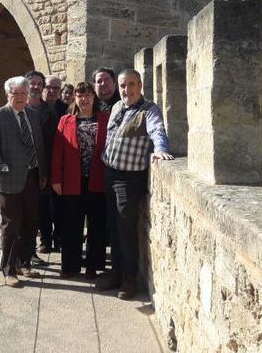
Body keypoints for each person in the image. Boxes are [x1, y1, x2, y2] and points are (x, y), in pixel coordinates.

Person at [98, 69, 173, 300]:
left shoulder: (148, 110)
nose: (126, 90)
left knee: (126, 229)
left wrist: (160, 149)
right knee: (113, 226)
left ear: (140, 85)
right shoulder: (118, 107)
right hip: (110, 174)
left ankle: (129, 279)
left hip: (129, 180)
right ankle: (116, 273)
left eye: (131, 85)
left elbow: (157, 130)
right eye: (122, 86)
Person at [0, 76, 48, 288]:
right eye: (15, 94)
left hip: (32, 175)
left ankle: (24, 263)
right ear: (7, 95)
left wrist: (43, 171)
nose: (20, 98)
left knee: (31, 221)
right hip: (9, 177)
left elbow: (39, 145)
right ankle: (8, 269)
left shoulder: (33, 114)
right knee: (11, 224)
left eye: (23, 94)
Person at [51, 82, 109, 279]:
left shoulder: (106, 119)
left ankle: (93, 265)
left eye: (88, 95)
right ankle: (70, 266)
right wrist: (56, 179)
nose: (84, 99)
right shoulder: (65, 121)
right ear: (74, 98)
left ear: (94, 97)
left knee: (96, 224)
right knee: (71, 224)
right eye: (80, 96)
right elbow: (58, 152)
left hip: (97, 179)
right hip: (71, 180)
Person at [25, 70, 60, 260]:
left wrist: (48, 171)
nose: (37, 87)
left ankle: (38, 248)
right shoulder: (19, 109)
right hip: (23, 170)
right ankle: (25, 253)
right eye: (33, 83)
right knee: (26, 214)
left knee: (41, 209)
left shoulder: (49, 111)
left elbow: (53, 143)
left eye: (40, 84)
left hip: (43, 168)